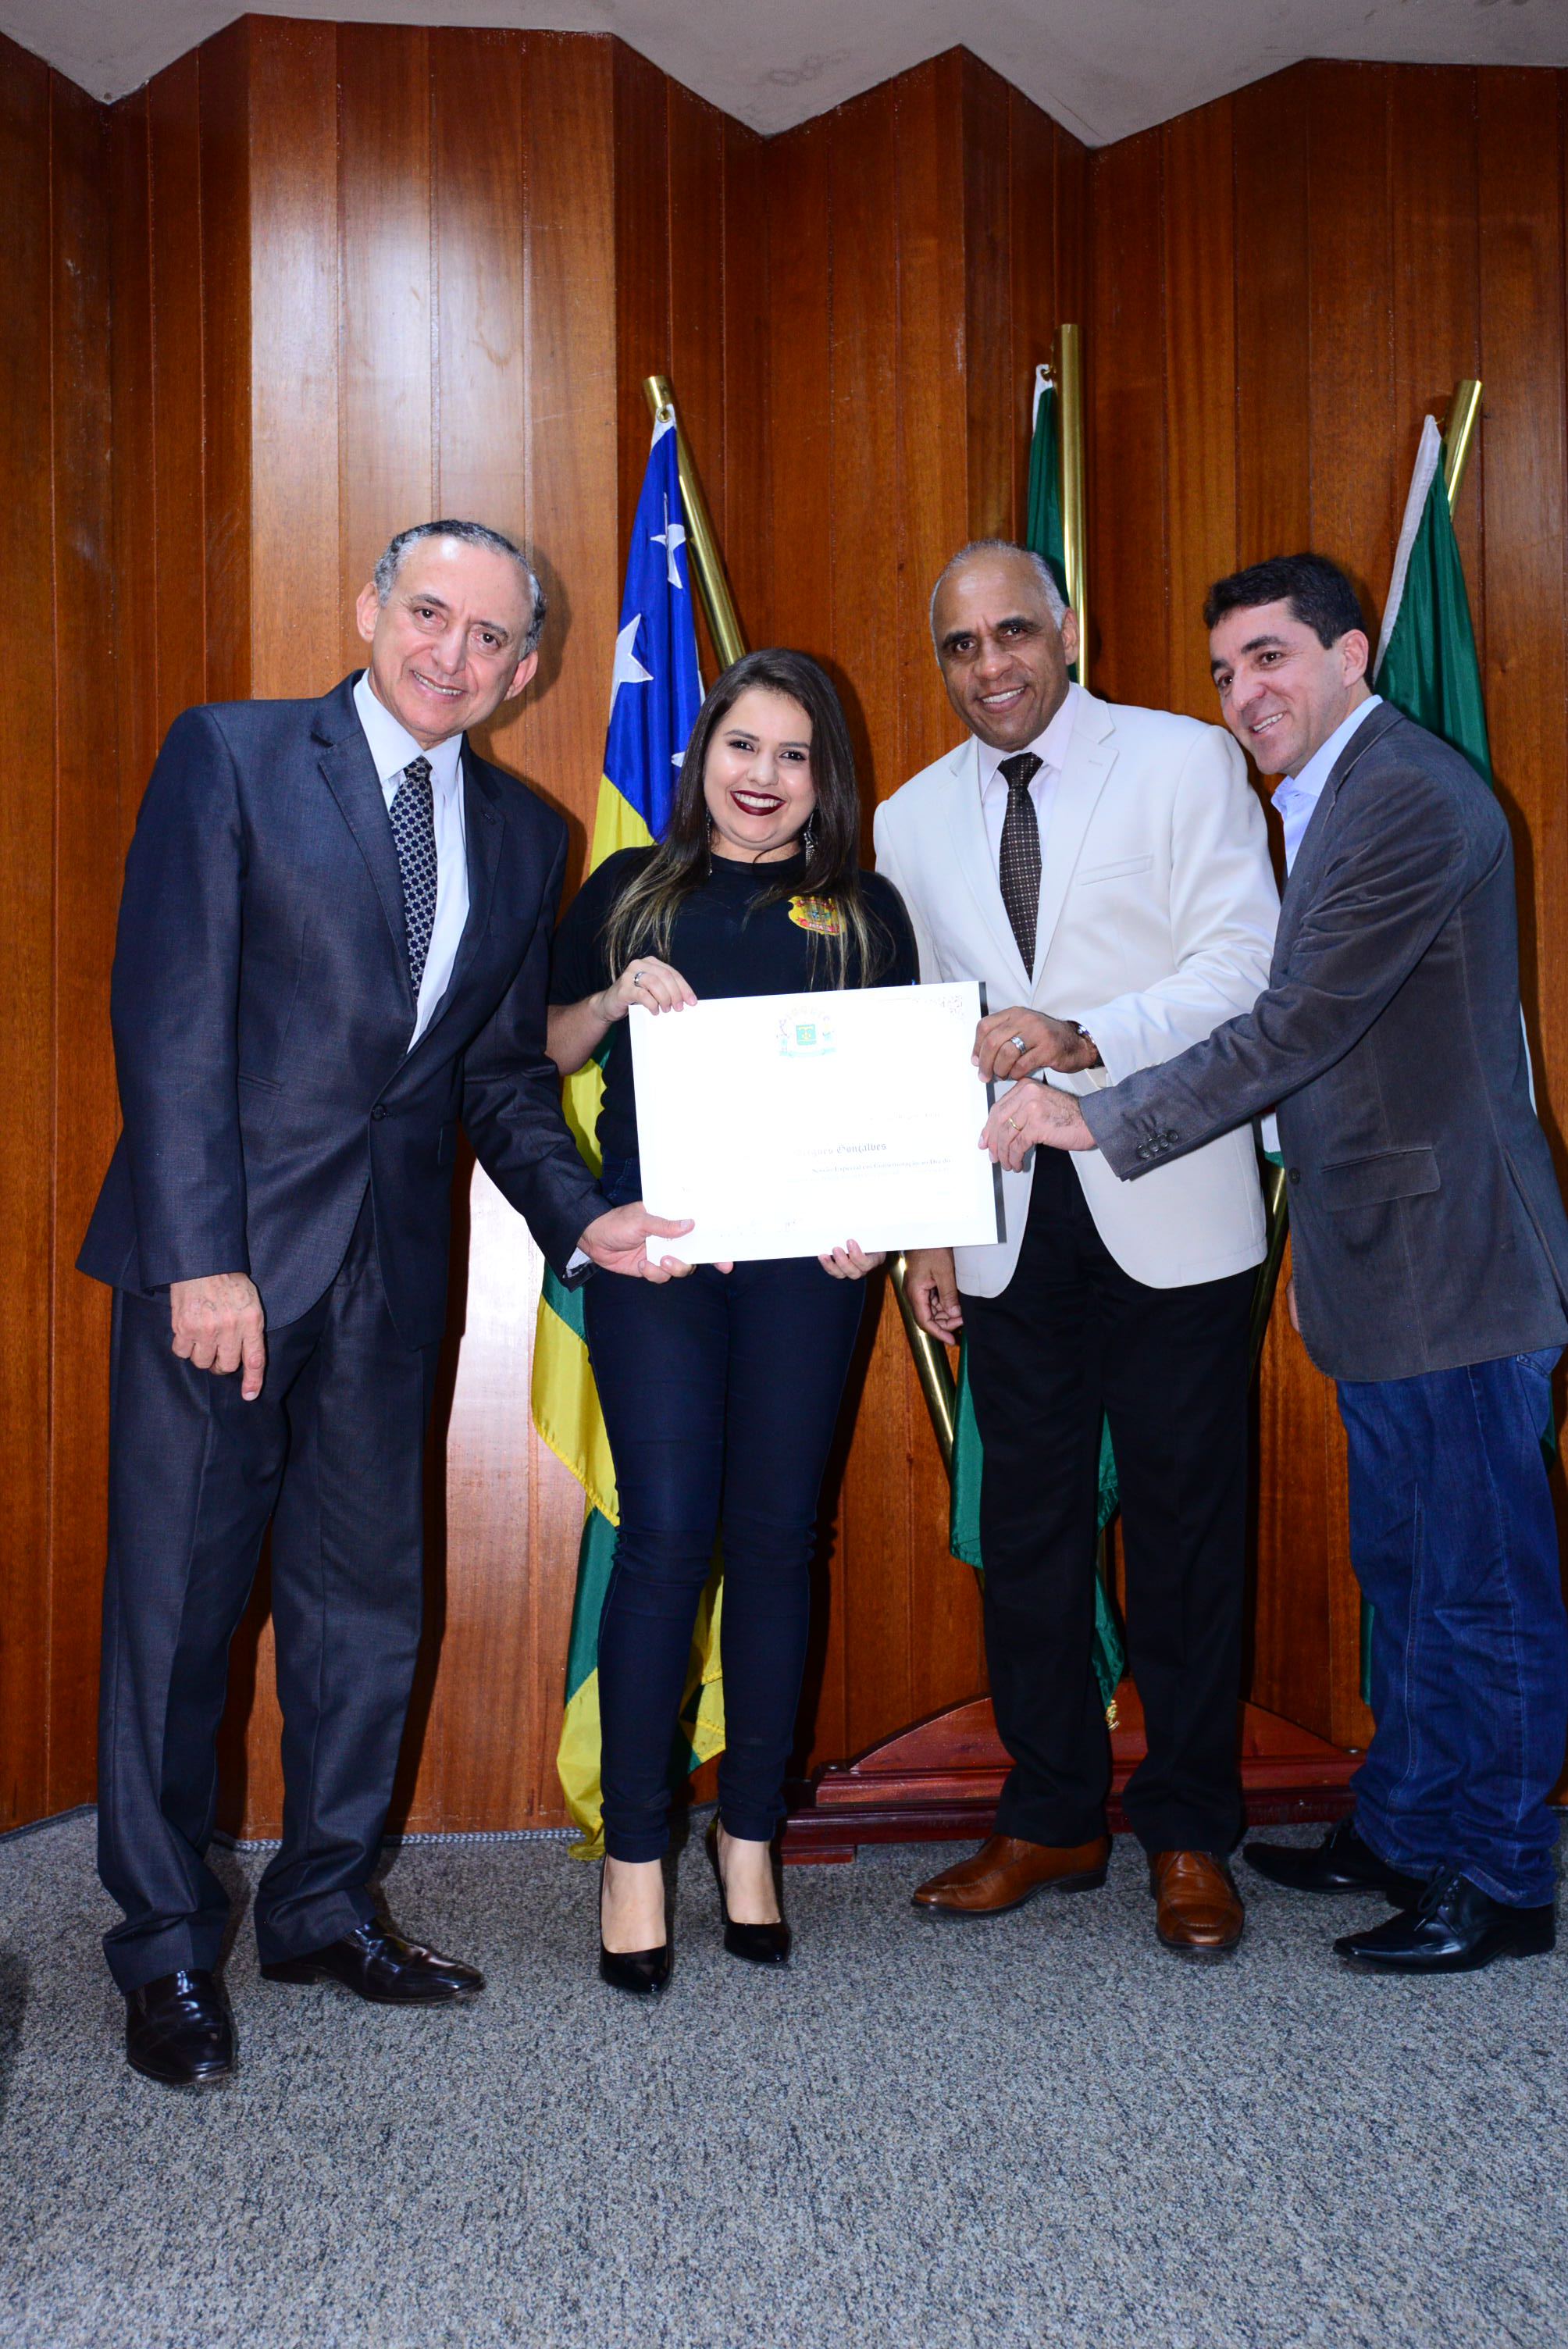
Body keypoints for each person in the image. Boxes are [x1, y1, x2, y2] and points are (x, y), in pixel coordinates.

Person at [80, 520, 692, 2086]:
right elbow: (168, 1013)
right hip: (222, 1265)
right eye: (429, 614)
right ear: (369, 609)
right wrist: (200, 1254)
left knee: (365, 1610)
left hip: (391, 1278)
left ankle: (324, 1905)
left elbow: (498, 1080)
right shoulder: (231, 756)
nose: (451, 655)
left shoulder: (528, 831)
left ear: (528, 668)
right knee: (177, 1614)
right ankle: (164, 1944)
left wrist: (585, 1220)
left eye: (490, 637)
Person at [1008, 551, 1568, 1976]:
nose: (1243, 693)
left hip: (1460, 1259)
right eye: (1224, 672)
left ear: (1352, 654)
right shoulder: (1330, 797)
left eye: (1270, 658)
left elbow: (1298, 1025)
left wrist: (1099, 1115)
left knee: (1482, 1588)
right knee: (1410, 1569)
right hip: (1387, 1254)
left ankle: (1503, 1877)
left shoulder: (1408, 796)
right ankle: (1407, 1826)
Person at [875, 540, 1280, 1958]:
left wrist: (1085, 1038)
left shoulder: (1183, 760)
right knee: (1029, 1534)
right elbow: (923, 1034)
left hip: (1168, 1196)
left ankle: (1189, 1829)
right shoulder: (908, 817)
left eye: (1013, 634)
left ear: (1064, 632)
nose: (990, 665)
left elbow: (1245, 965)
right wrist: (932, 1226)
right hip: (1002, 1226)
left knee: (1185, 1533)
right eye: (961, 646)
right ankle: (1050, 1813)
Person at [547, 647, 918, 1994]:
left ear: (826, 778)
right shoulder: (629, 888)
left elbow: (898, 1093)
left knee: (776, 1540)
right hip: (657, 1258)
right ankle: (637, 1850)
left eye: (793, 755)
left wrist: (877, 1216)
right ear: (703, 754)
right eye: (742, 747)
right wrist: (611, 998)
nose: (763, 777)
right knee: (664, 1538)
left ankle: (748, 1834)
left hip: (807, 1268)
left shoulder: (864, 909)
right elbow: (541, 1049)